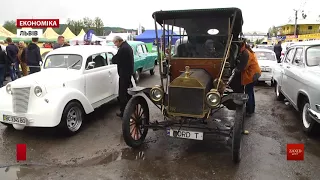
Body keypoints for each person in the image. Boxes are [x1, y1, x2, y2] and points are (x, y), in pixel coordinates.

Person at [234, 40, 261, 116]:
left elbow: (243, 67)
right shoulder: (246, 50)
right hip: (255, 73)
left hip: (252, 74)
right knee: (250, 91)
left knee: (248, 92)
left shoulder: (246, 53)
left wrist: (236, 69)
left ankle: (249, 110)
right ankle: (251, 108)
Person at [111, 36, 134, 117]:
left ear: (118, 41)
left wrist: (112, 59)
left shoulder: (123, 48)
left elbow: (115, 59)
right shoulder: (127, 46)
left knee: (122, 94)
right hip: (128, 72)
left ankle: (124, 111)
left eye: (115, 43)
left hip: (124, 73)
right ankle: (131, 108)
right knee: (127, 92)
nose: (115, 45)